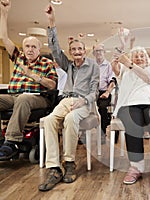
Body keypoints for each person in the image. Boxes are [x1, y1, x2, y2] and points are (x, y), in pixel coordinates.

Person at [38, 4, 99, 191]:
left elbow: (95, 90)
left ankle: (70, 162)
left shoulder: (93, 66)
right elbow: (55, 48)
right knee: (48, 120)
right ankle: (54, 167)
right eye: (74, 50)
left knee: (72, 118)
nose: (77, 52)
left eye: (80, 49)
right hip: (65, 100)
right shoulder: (69, 65)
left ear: (85, 50)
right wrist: (52, 21)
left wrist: (84, 100)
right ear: (71, 52)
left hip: (83, 102)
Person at [0, 0, 57, 160]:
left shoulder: (46, 63)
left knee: (24, 98)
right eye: (27, 46)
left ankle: (11, 142)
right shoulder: (18, 58)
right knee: (17, 99)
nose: (30, 49)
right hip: (13, 96)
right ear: (23, 49)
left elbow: (52, 84)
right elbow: (4, 37)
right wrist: (4, 14)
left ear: (39, 49)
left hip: (38, 98)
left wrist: (33, 76)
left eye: (34, 47)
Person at [111, 46, 150, 186]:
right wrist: (121, 51)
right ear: (130, 58)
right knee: (133, 124)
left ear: (147, 60)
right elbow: (115, 64)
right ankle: (136, 166)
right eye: (135, 56)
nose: (139, 58)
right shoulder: (124, 70)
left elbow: (149, 79)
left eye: (142, 56)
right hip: (129, 104)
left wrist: (130, 64)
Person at [92, 43, 115, 142]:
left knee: (102, 107)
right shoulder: (90, 65)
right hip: (92, 92)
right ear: (93, 53)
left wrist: (107, 92)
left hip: (104, 91)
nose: (98, 53)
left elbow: (112, 81)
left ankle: (102, 132)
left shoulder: (109, 65)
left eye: (100, 50)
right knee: (83, 107)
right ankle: (83, 133)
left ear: (104, 52)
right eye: (96, 51)